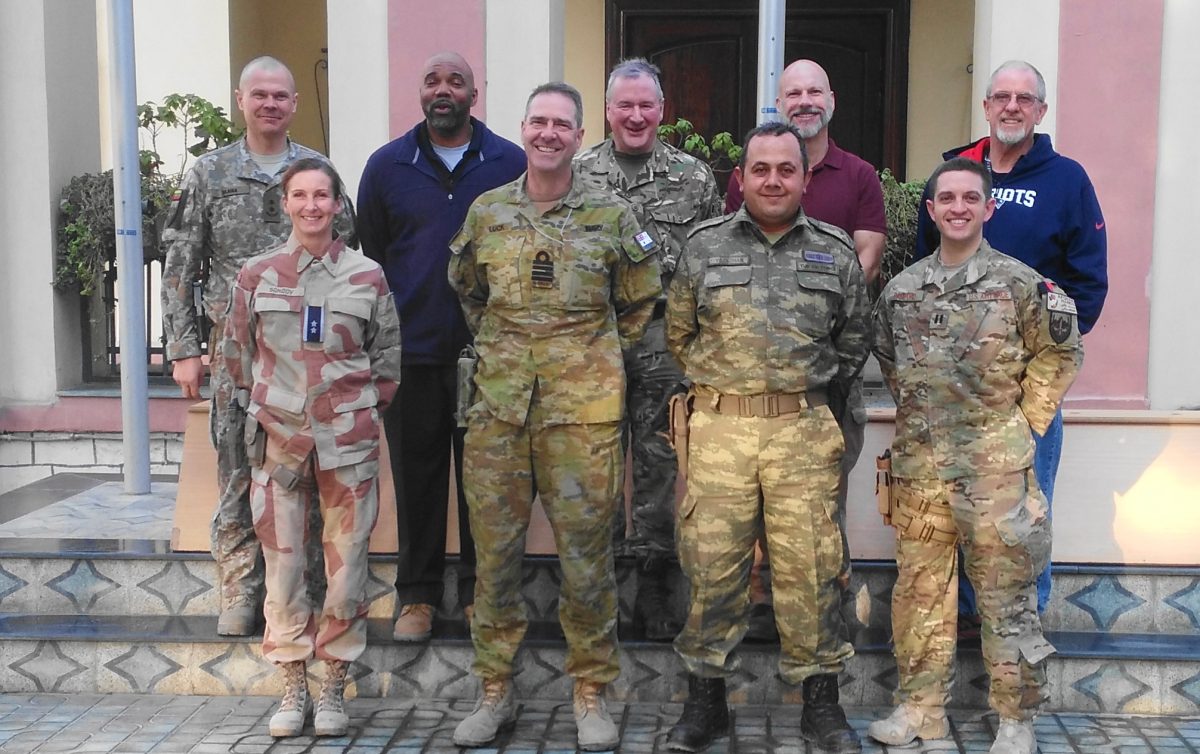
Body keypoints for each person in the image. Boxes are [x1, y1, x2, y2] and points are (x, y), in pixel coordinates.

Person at [447, 82, 662, 751]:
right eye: (537, 122)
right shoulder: (487, 213)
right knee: (495, 559)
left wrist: (587, 359)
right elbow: (469, 292)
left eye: (560, 125)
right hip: (499, 411)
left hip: (584, 416)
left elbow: (639, 300)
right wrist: (513, 353)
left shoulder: (611, 215)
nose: (547, 133)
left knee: (587, 558)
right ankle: (495, 689)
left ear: (577, 135)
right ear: (523, 128)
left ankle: (592, 691)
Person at [665, 122, 870, 754]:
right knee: (711, 568)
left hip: (801, 431)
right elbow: (679, 332)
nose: (774, 179)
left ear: (806, 177)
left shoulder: (834, 252)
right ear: (741, 177)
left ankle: (821, 707)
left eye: (787, 168)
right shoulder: (702, 247)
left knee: (810, 569)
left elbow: (853, 341)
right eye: (761, 169)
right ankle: (705, 706)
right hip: (721, 429)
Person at [869, 158, 1083, 753]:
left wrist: (1023, 421)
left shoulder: (1021, 285)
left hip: (997, 475)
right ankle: (920, 710)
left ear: (988, 208)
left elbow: (1062, 353)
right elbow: (890, 360)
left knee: (1005, 600)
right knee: (919, 596)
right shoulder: (902, 289)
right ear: (931, 210)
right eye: (947, 198)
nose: (958, 207)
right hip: (920, 473)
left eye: (971, 197)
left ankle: (1016, 721)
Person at [161, 56, 357, 636]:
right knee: (238, 469)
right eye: (260, 95)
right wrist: (183, 348)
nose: (270, 104)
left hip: (309, 357)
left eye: (281, 95)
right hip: (236, 354)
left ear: (294, 104)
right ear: (241, 101)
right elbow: (180, 263)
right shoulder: (208, 174)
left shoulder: (318, 172)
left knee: (311, 473)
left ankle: (310, 592)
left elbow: (351, 258)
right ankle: (241, 593)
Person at [912, 60, 1107, 621]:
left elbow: (1087, 286)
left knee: (1025, 507)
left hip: (1026, 387)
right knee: (957, 503)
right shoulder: (957, 173)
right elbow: (927, 267)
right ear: (987, 107)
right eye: (1002, 96)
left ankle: (1022, 622)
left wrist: (1045, 364)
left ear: (1041, 111)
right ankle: (972, 619)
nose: (1012, 107)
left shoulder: (1067, 180)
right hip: (953, 385)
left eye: (1025, 98)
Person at [222, 158, 402, 738]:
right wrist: (276, 407)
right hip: (277, 441)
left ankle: (333, 688)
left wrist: (345, 408)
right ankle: (292, 685)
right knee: (284, 568)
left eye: (322, 195)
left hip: (346, 445)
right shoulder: (257, 274)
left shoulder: (366, 275)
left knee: (347, 569)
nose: (311, 206)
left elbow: (388, 366)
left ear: (337, 204)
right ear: (285, 204)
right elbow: (237, 358)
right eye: (299, 195)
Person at [357, 51, 525, 643]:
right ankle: (418, 598)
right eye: (433, 81)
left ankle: (483, 591)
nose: (444, 90)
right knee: (418, 477)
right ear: (420, 94)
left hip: (493, 356)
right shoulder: (386, 166)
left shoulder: (510, 162)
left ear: (475, 94)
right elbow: (371, 256)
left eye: (456, 81)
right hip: (414, 351)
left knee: (486, 482)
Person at [725, 58, 887, 643]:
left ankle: (826, 608)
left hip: (828, 369)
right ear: (779, 102)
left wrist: (810, 326)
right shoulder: (751, 171)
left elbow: (865, 261)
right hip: (757, 377)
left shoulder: (859, 175)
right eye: (793, 92)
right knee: (751, 497)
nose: (805, 100)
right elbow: (730, 261)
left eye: (815, 90)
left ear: (832, 99)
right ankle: (763, 602)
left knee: (823, 494)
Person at [574, 58, 723, 641]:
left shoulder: (694, 177)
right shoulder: (579, 174)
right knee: (597, 464)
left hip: (665, 342)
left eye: (646, 106)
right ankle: (603, 586)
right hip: (596, 343)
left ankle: (658, 584)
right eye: (624, 105)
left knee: (661, 462)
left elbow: (710, 261)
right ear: (607, 110)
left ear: (663, 112)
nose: (635, 116)